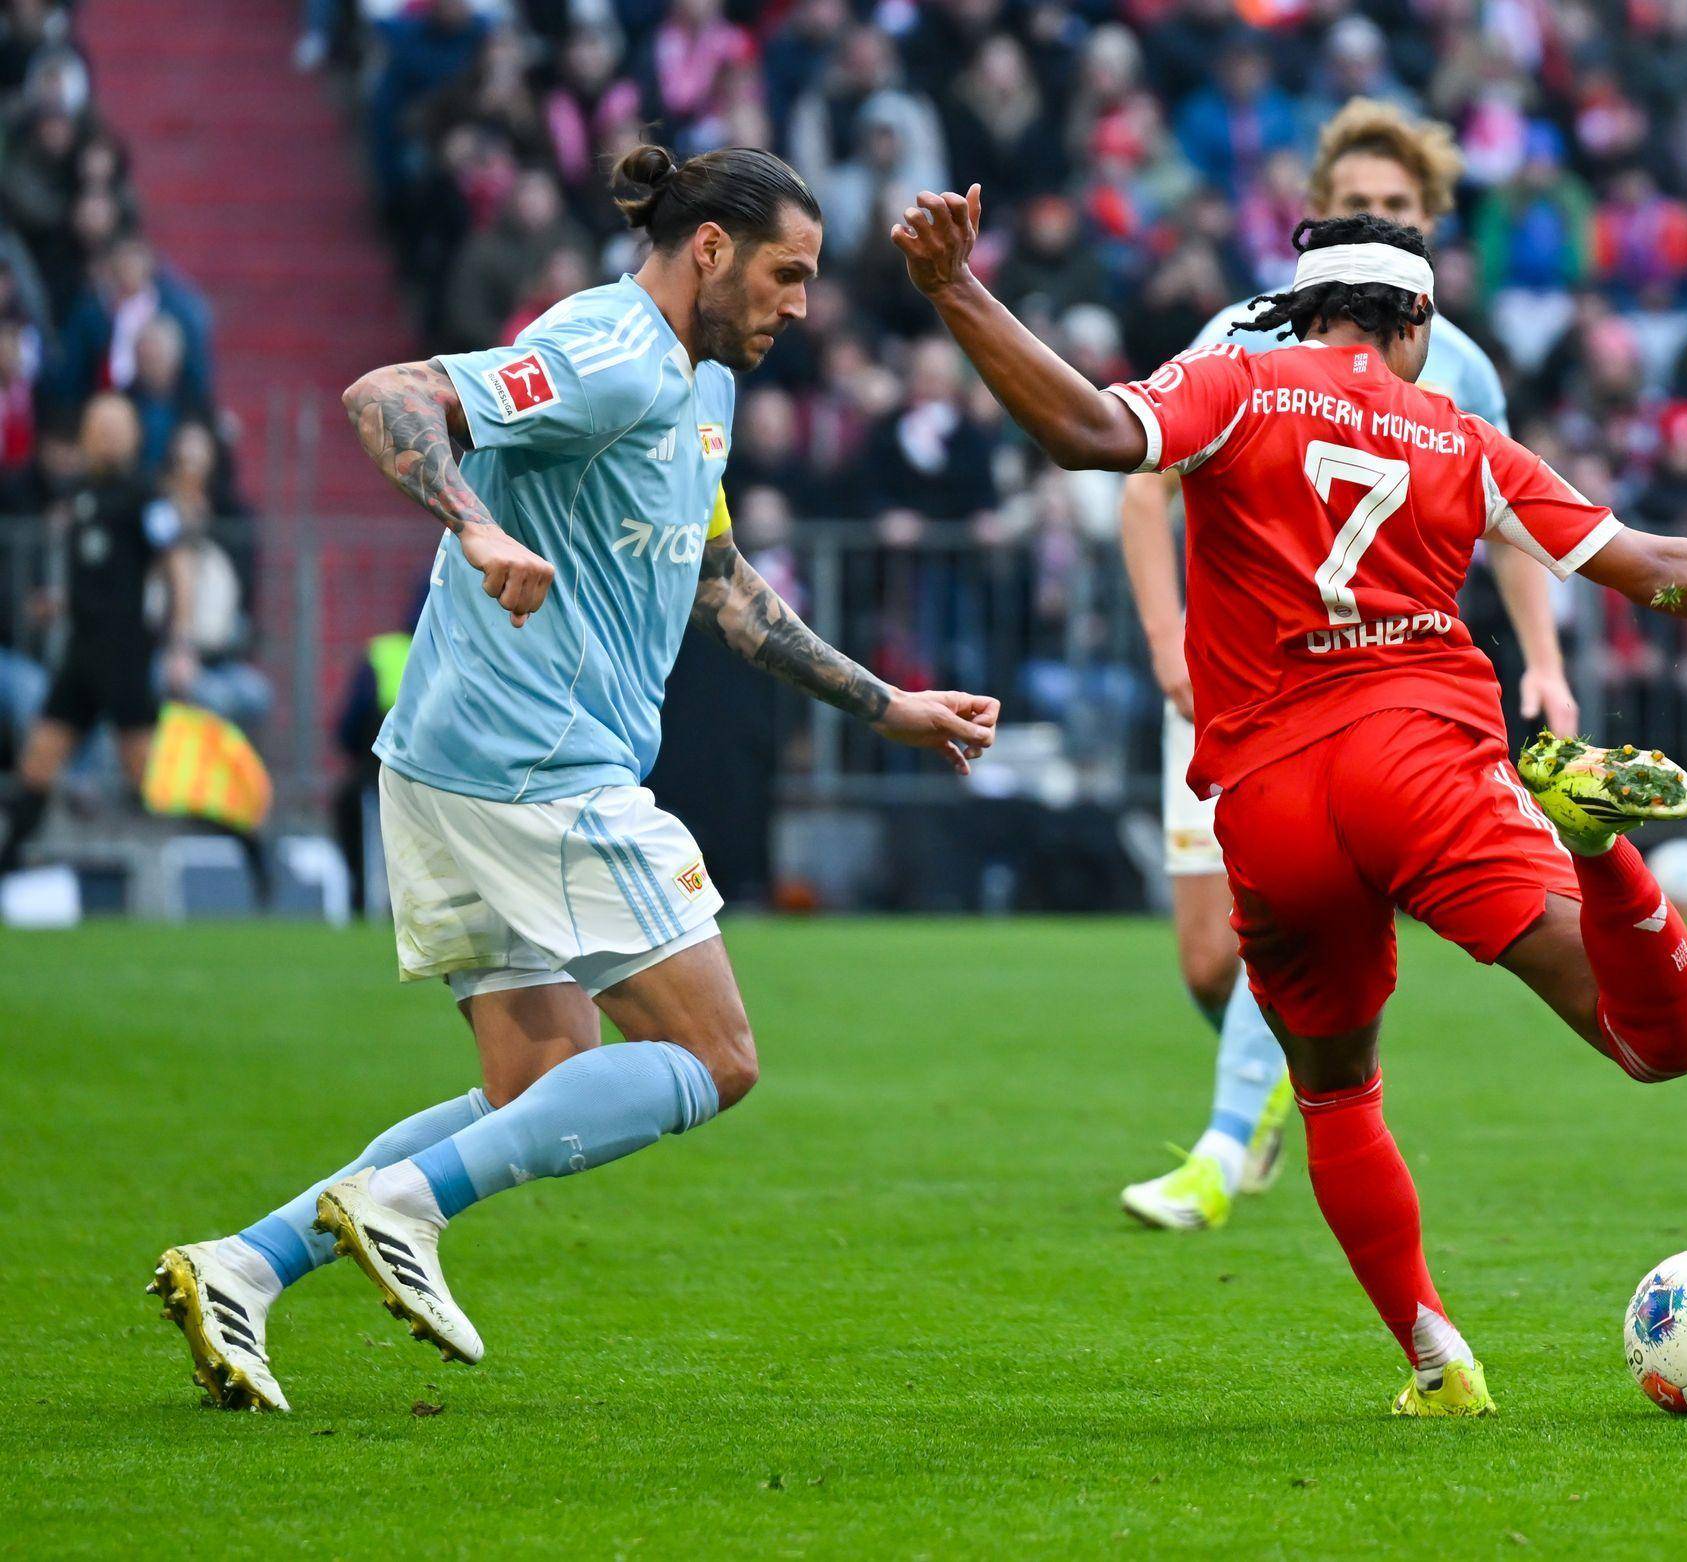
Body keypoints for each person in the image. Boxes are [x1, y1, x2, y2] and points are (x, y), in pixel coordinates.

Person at [894, 188, 1687, 1413]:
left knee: (1335, 1088)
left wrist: (954, 288)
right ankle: (1594, 845)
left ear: (1302, 312)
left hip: (1270, 798)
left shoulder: (1230, 385)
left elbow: (1083, 431)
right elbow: (1650, 568)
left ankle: (1436, 1359)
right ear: (1415, 322)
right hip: (1423, 765)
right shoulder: (1459, 435)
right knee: (1652, 1042)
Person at [146, 146, 1000, 1414]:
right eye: (787, 273)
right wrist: (477, 523)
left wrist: (889, 706)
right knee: (714, 1054)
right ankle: (404, 1204)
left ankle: (245, 1264)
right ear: (708, 248)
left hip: (456, 761)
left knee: (533, 1088)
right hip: (533, 759)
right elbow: (389, 394)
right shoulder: (609, 349)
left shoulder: (702, 382)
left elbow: (721, 586)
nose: (802, 303)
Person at [1114, 99, 1579, 1234]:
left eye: (1395, 204)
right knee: (1208, 961)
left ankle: (1225, 1144)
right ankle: (1296, 1083)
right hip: (1224, 676)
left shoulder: (1459, 365)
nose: (1374, 215)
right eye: (1356, 202)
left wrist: (1546, 663)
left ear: (1428, 222)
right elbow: (1142, 483)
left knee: (1306, 916)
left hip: (1364, 696)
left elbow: (1515, 520)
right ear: (1318, 214)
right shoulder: (1243, 334)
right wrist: (1168, 643)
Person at [0, 393, 193, 874]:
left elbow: (179, 570)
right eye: (98, 426)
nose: (106, 435)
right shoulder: (77, 494)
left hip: (124, 656)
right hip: (80, 654)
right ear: (85, 435)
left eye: (116, 426)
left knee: (149, 777)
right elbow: (98, 572)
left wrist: (180, 646)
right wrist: (59, 603)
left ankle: (233, 847)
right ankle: (7, 867)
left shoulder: (147, 497)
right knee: (37, 764)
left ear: (134, 435)